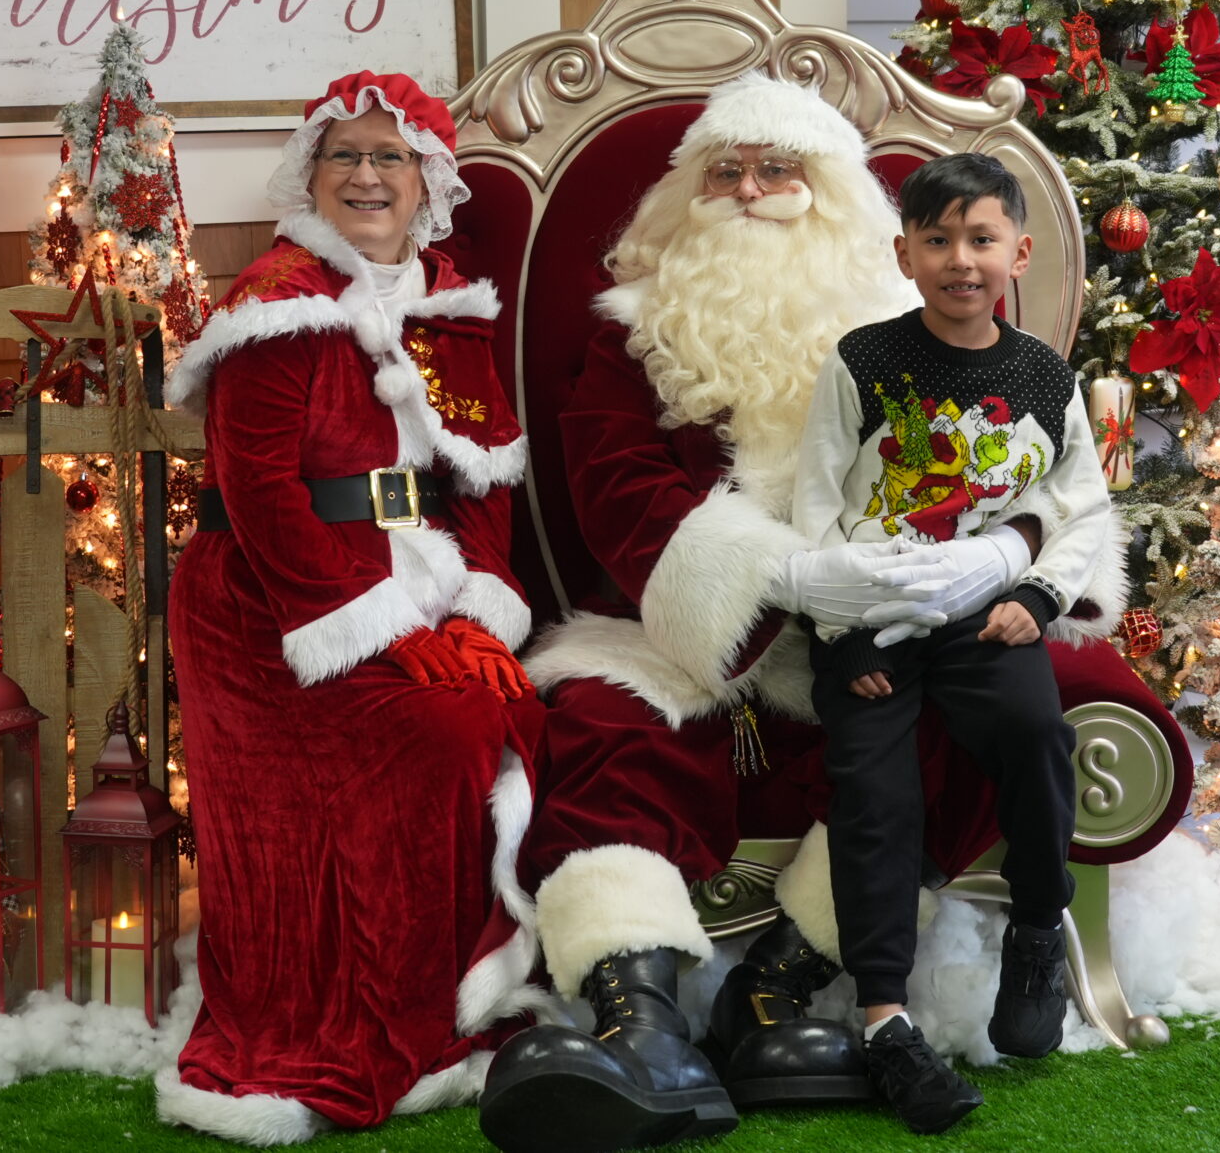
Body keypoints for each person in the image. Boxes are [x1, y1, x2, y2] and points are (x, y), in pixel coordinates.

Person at [480, 76, 1126, 1153]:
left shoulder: (914, 327)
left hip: (900, 620)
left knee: (980, 721)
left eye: (778, 169)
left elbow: (1030, 474)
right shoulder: (637, 333)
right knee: (605, 725)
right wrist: (782, 577)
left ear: (834, 196)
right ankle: (639, 1020)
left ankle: (777, 989)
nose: (749, 190)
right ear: (685, 197)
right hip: (680, 632)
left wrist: (997, 559)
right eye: (724, 172)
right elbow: (615, 482)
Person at [158, 72, 543, 1145]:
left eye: (390, 157)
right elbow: (260, 494)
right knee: (436, 726)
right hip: (273, 607)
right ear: (312, 175)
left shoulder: (450, 304)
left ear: (428, 180)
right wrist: (375, 624)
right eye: (346, 156)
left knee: (501, 705)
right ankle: (351, 1018)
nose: (367, 177)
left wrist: (473, 615)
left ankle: (451, 1008)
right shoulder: (276, 299)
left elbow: (487, 479)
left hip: (419, 576)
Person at [794, 152, 1111, 1133]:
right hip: (874, 612)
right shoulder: (862, 361)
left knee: (1035, 733)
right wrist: (841, 637)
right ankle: (885, 1019)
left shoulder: (1043, 376)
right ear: (905, 255)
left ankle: (1035, 928)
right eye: (937, 240)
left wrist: (1039, 594)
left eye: (981, 239)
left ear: (1019, 252)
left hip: (987, 611)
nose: (960, 260)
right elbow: (813, 506)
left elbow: (1081, 505)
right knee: (875, 793)